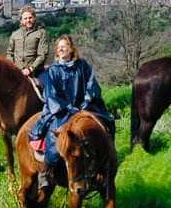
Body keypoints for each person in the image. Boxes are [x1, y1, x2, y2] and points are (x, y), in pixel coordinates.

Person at [34, 35, 114, 190]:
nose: (61, 49)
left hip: (85, 107)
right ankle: (46, 172)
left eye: (64, 46)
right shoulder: (54, 70)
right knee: (54, 134)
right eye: (59, 47)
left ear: (71, 48)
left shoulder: (82, 66)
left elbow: (92, 84)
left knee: (107, 122)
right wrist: (68, 108)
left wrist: (86, 101)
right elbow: (52, 94)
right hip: (62, 110)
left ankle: (107, 162)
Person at [6, 7, 49, 81]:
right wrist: (14, 67)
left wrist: (30, 69)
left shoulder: (41, 33)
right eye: (25, 18)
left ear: (34, 18)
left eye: (30, 18)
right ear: (21, 20)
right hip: (17, 72)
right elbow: (9, 53)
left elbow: (42, 55)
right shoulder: (14, 35)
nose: (28, 20)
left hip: (35, 72)